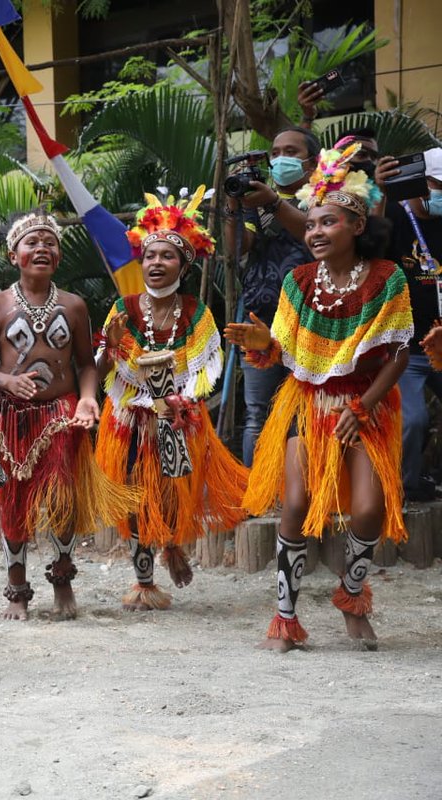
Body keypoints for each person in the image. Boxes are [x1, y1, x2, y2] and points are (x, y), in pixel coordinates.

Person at [227, 145, 411, 652]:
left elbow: (399, 352)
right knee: (295, 504)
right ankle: (284, 618)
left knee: (369, 510)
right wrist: (264, 344)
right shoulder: (298, 281)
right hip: (308, 403)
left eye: (327, 222)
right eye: (309, 225)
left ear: (356, 225)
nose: (314, 232)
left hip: (366, 404)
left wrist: (364, 407)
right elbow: (284, 350)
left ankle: (351, 594)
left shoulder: (386, 277)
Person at [0, 211, 138, 620]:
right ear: (14, 256)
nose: (42, 248)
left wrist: (87, 399)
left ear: (59, 257)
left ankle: (63, 579)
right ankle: (17, 590)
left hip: (62, 413)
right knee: (14, 502)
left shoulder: (74, 306)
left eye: (50, 243)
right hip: (10, 417)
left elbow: (85, 364)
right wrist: (8, 382)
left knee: (63, 498)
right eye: (32, 242)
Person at [96, 187, 250, 610]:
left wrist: (180, 402)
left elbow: (205, 367)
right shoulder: (123, 307)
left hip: (179, 416)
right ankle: (144, 581)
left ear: (184, 264)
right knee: (134, 495)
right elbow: (104, 366)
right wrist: (110, 346)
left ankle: (170, 543)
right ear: (141, 261)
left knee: (171, 494)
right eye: (150, 255)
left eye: (167, 256)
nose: (157, 263)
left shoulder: (196, 311)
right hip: (129, 418)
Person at [223, 127, 319, 465]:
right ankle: (258, 489)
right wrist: (233, 205)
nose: (280, 159)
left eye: (291, 152)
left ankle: (304, 487)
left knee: (307, 412)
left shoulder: (324, 196)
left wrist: (274, 203)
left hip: (314, 321)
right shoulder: (255, 199)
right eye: (275, 153)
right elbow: (237, 248)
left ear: (312, 162)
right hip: (260, 320)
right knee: (257, 415)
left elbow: (313, 233)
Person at [375, 147, 442, 500]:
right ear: (418, 182)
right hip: (407, 348)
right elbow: (368, 251)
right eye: (436, 184)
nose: (439, 193)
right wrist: (378, 193)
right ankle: (402, 487)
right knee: (412, 420)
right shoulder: (393, 215)